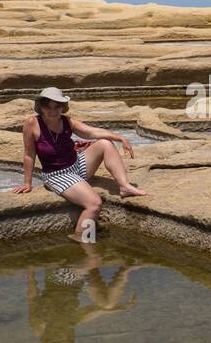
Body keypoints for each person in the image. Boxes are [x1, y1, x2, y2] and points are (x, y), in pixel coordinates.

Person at [13, 86, 146, 242]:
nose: (52, 110)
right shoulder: (31, 124)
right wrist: (27, 183)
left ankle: (124, 186)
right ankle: (82, 239)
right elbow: (29, 154)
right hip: (57, 175)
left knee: (105, 143)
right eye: (47, 106)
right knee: (94, 204)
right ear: (40, 107)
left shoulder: (67, 121)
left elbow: (92, 133)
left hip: (77, 165)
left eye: (57, 106)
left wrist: (120, 138)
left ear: (62, 107)